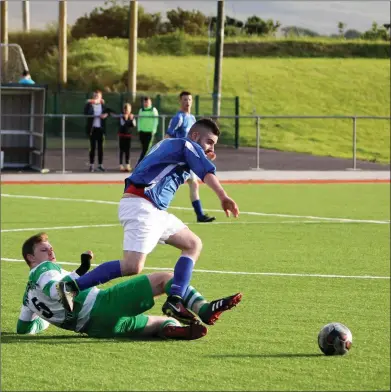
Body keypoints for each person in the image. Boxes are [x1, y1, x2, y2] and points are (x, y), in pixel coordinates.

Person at [57, 118, 241, 325]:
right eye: (210, 142)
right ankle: (72, 287)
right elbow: (206, 172)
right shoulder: (187, 144)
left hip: (151, 208)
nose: (212, 147)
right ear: (196, 136)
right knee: (132, 265)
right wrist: (223, 196)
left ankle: (175, 299)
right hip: (143, 206)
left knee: (193, 244)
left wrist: (201, 155)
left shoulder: (170, 144)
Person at [17, 232, 208, 340]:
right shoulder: (45, 268)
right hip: (103, 304)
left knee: (159, 323)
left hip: (96, 329)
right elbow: (56, 289)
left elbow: (23, 329)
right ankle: (204, 308)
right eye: (44, 250)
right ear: (31, 258)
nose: (50, 252)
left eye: (51, 248)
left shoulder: (28, 299)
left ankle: (170, 327)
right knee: (164, 278)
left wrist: (45, 321)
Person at [166, 91, 215, 223]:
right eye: (184, 100)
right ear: (180, 101)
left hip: (189, 158)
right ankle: (157, 212)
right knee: (169, 186)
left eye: (189, 100)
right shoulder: (178, 118)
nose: (187, 102)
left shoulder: (192, 118)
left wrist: (204, 152)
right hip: (179, 158)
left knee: (194, 184)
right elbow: (168, 136)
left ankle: (199, 215)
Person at [84, 90, 114, 173]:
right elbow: (85, 112)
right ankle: (91, 165)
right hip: (92, 129)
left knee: (100, 148)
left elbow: (110, 111)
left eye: (98, 96)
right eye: (95, 96)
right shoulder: (89, 105)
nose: (96, 97)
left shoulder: (103, 105)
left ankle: (100, 165)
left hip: (101, 129)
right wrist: (92, 112)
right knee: (92, 148)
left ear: (101, 97)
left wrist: (106, 115)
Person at [137, 96, 159, 165]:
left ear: (150, 102)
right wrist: (139, 129)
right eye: (145, 102)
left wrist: (154, 130)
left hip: (150, 132)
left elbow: (156, 120)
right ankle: (147, 164)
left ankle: (139, 164)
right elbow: (139, 120)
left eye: (147, 102)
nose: (146, 104)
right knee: (144, 149)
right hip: (142, 131)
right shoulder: (141, 110)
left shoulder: (153, 110)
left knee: (146, 149)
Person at [118, 103, 136, 172]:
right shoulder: (121, 116)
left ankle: (127, 165)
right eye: (125, 110)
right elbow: (122, 124)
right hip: (122, 135)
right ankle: (121, 165)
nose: (126, 111)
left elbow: (134, 124)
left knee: (127, 150)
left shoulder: (132, 116)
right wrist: (126, 119)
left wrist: (131, 119)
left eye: (128, 110)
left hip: (128, 136)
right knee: (121, 150)